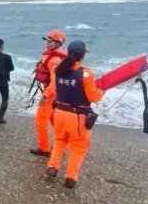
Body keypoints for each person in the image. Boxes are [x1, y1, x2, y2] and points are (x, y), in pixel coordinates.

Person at [45, 40, 105, 188]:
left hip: (59, 113)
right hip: (77, 117)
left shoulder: (59, 70)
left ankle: (52, 167)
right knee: (78, 147)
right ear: (82, 55)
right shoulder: (86, 74)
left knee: (59, 140)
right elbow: (93, 97)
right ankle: (71, 177)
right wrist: (103, 90)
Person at [30, 30, 67, 157]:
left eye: (50, 41)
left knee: (40, 121)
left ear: (58, 43)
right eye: (47, 40)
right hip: (54, 93)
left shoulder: (54, 60)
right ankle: (59, 145)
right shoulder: (52, 57)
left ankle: (44, 149)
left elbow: (55, 82)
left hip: (50, 93)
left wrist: (45, 96)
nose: (47, 43)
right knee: (54, 121)